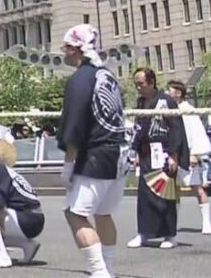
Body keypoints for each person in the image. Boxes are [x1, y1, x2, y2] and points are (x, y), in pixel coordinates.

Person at [57, 24, 127, 278]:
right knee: (103, 213)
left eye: (66, 47)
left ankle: (99, 271)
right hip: (119, 153)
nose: (63, 51)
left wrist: (68, 164)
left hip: (96, 155)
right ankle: (108, 266)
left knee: (75, 214)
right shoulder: (107, 75)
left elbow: (74, 124)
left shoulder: (80, 79)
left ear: (75, 49)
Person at [127, 67, 185, 250]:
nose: (138, 88)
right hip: (146, 154)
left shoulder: (166, 101)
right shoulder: (140, 102)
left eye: (141, 84)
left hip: (165, 152)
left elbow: (176, 128)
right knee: (144, 195)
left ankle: (170, 235)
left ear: (151, 82)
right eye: (136, 85)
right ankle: (144, 232)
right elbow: (138, 128)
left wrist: (174, 155)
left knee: (165, 195)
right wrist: (135, 152)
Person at [165, 80, 211, 234]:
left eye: (170, 90)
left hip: (188, 154)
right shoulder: (169, 110)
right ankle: (173, 223)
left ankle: (206, 222)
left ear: (178, 93)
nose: (167, 93)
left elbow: (196, 133)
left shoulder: (188, 110)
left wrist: (194, 154)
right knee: (174, 191)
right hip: (173, 154)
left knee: (197, 189)